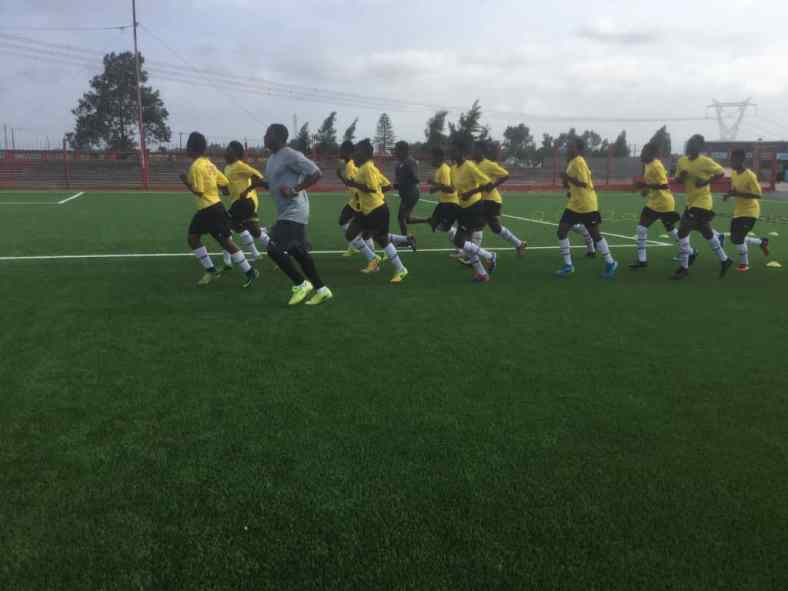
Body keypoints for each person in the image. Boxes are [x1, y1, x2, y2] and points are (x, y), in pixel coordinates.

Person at [250, 124, 333, 305]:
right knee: (298, 252)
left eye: (267, 133)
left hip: (295, 209)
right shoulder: (272, 158)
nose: (264, 136)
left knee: (273, 248)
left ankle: (301, 284)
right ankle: (321, 289)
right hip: (285, 211)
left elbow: (315, 173)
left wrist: (295, 189)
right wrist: (259, 184)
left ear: (278, 137)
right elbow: (275, 183)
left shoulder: (291, 155)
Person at [179, 132, 258, 288]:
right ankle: (212, 270)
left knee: (224, 242)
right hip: (212, 208)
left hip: (210, 210)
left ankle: (250, 272)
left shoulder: (195, 167)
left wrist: (186, 182)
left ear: (190, 148)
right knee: (194, 238)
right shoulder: (209, 164)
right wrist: (218, 189)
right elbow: (224, 182)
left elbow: (199, 191)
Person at [343, 139, 409, 283]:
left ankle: (401, 269)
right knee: (351, 233)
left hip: (377, 210)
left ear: (366, 153)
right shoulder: (365, 167)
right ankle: (374, 259)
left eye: (357, 151)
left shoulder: (368, 168)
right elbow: (384, 186)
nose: (354, 153)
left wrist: (353, 184)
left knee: (382, 239)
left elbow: (372, 188)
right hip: (366, 211)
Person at [555, 138, 619, 279]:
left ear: (578, 149)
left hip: (586, 204)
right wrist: (567, 184)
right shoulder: (572, 162)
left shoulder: (579, 161)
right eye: (568, 146)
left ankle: (610, 262)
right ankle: (568, 266)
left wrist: (567, 178)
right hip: (574, 204)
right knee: (561, 231)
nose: (568, 149)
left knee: (595, 235)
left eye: (571, 147)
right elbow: (573, 184)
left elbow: (584, 183)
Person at [671, 134, 732, 280]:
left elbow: (721, 173)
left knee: (682, 232)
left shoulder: (705, 161)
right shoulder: (682, 161)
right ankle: (725, 260)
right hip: (691, 202)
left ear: (699, 147)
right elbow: (677, 180)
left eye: (693, 144)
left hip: (703, 202)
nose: (690, 146)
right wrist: (682, 176)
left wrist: (706, 182)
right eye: (689, 143)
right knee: (707, 232)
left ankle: (684, 268)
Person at [630, 142, 689, 269]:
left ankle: (689, 251)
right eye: (642, 151)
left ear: (651, 154)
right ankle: (642, 260)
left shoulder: (657, 166)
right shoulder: (647, 164)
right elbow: (651, 183)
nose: (641, 154)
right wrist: (645, 190)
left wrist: (646, 186)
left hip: (664, 203)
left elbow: (664, 185)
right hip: (653, 202)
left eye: (644, 152)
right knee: (643, 229)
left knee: (670, 230)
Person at [450, 140, 498, 282]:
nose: (452, 153)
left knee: (459, 241)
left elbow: (488, 184)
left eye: (455, 150)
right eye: (451, 150)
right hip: (463, 208)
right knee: (467, 242)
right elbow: (455, 187)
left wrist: (471, 193)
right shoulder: (453, 169)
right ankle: (482, 274)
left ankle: (490, 256)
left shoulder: (470, 166)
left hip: (474, 207)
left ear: (462, 152)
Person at [221, 141, 271, 270]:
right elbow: (227, 191)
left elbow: (258, 177)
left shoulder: (239, 165)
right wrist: (222, 188)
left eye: (228, 149)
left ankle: (227, 262)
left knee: (224, 230)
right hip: (237, 203)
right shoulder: (227, 168)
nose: (225, 152)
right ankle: (277, 253)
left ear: (235, 153)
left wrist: (247, 190)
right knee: (254, 231)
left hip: (244, 203)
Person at [472, 141, 527, 255]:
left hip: (492, 200)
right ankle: (519, 244)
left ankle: (472, 254)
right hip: (481, 200)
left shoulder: (489, 164)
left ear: (481, 152)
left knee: (478, 224)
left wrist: (492, 185)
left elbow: (506, 175)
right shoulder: (473, 165)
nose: (473, 152)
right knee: (495, 228)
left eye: (475, 150)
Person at [724, 149, 770, 272]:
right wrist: (728, 195)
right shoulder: (734, 174)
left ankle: (744, 264)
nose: (731, 162)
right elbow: (734, 190)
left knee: (738, 238)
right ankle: (761, 242)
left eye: (734, 160)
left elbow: (758, 195)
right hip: (738, 211)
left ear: (741, 160)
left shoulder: (750, 175)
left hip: (750, 211)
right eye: (731, 160)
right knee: (735, 238)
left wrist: (740, 193)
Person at [392, 141, 420, 248]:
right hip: (405, 194)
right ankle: (428, 220)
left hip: (410, 193)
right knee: (406, 218)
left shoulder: (410, 161)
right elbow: (399, 179)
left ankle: (406, 240)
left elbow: (416, 179)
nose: (395, 152)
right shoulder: (399, 162)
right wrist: (397, 184)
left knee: (401, 217)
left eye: (397, 150)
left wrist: (402, 183)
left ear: (403, 150)